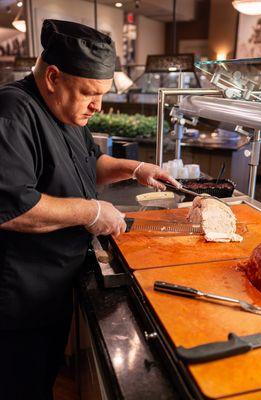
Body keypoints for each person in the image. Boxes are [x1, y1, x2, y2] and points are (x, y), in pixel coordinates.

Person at [0, 19, 180, 400]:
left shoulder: (68, 109)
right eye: (90, 93)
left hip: (53, 285)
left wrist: (134, 169)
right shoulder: (13, 112)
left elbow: (89, 162)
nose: (98, 105)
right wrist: (92, 212)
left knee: (43, 379)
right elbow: (13, 207)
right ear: (53, 77)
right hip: (16, 300)